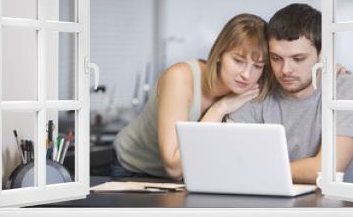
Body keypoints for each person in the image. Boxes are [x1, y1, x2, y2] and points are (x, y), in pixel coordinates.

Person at [112, 13, 271, 180]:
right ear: (219, 54)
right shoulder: (180, 78)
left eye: (258, 66)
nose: (247, 74)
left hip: (186, 177)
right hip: (133, 168)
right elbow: (174, 168)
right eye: (238, 61)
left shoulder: (245, 91)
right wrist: (219, 109)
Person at [228, 3, 353, 184]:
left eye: (298, 59)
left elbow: (326, 170)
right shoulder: (256, 90)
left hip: (338, 208)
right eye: (276, 58)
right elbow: (233, 160)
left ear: (322, 54)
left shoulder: (347, 90)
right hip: (269, 203)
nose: (285, 70)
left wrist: (255, 168)